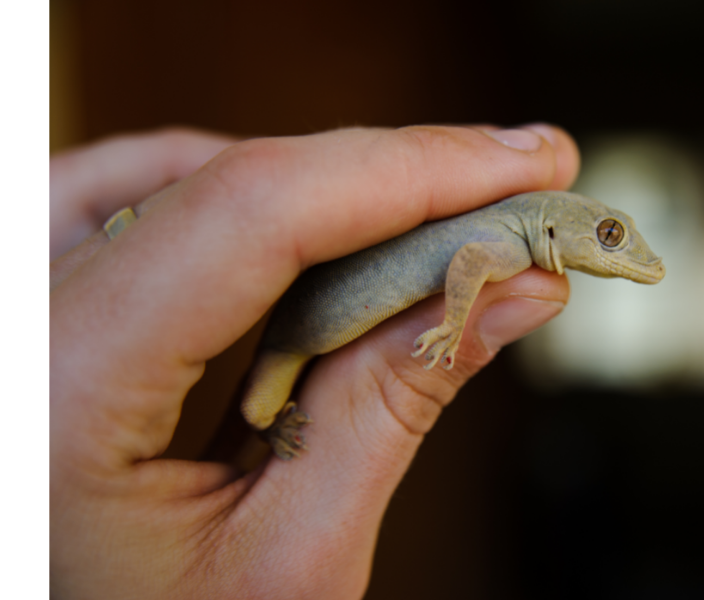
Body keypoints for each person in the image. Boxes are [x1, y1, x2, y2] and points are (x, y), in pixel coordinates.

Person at [50, 124, 580, 598]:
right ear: (557, 222)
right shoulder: (509, 243)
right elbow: (467, 260)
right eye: (610, 236)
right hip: (289, 342)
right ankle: (267, 426)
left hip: (299, 331)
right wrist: (452, 327)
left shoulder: (515, 234)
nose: (630, 254)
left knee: (255, 413)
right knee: (259, 412)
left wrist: (127, 234)